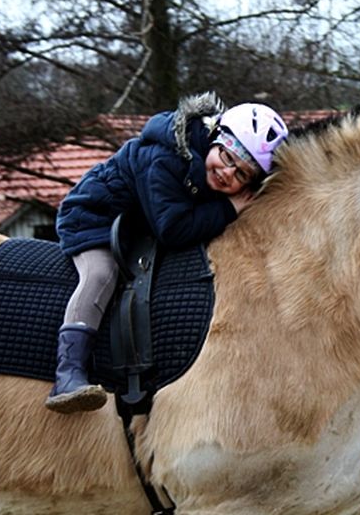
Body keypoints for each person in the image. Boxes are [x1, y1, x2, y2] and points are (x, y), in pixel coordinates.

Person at [46, 93, 288, 414]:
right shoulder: (165, 158)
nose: (228, 173)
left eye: (241, 174)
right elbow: (173, 229)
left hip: (141, 225)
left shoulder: (206, 172)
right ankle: (68, 373)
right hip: (95, 217)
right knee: (101, 274)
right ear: (214, 137)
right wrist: (228, 209)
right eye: (228, 158)